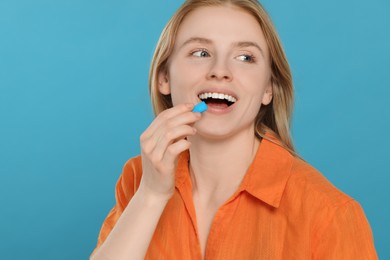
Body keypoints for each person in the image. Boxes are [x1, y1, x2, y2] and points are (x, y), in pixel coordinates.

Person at [90, 0, 377, 259]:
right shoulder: (139, 180)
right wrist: (151, 196)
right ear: (164, 77)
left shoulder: (330, 215)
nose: (220, 70)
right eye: (200, 52)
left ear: (268, 89)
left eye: (245, 57)